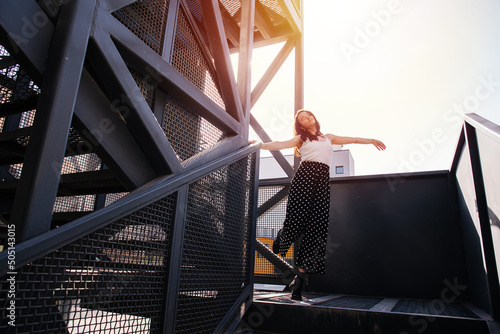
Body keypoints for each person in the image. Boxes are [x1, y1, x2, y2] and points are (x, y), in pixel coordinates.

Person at [254, 109, 386, 300]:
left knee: (316, 228)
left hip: (322, 181)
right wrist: (260, 145)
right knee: (297, 220)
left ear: (314, 118)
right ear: (301, 125)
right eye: (302, 118)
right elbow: (280, 144)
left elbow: (353, 139)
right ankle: (283, 236)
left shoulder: (328, 137)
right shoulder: (301, 138)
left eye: (308, 114)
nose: (307, 117)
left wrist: (371, 140)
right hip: (305, 177)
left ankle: (299, 282)